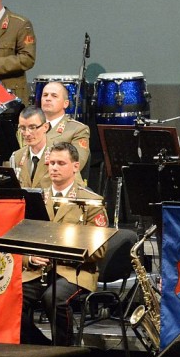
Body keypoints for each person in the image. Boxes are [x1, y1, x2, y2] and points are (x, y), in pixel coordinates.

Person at [21, 142, 108, 346]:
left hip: (74, 272)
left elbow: (99, 250)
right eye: (51, 163)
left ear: (75, 166)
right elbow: (23, 237)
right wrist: (30, 258)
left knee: (54, 299)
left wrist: (61, 252)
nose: (54, 168)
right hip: (39, 270)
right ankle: (39, 347)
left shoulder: (91, 201)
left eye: (61, 163)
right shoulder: (36, 197)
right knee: (12, 298)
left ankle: (63, 349)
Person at [37, 81, 91, 171]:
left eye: (54, 96)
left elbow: (76, 164)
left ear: (65, 103)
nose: (48, 99)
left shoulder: (78, 130)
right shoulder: (30, 127)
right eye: (45, 95)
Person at [9, 106, 52, 189]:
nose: (27, 133)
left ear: (45, 127)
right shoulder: (16, 157)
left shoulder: (60, 155)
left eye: (32, 128)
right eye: (22, 128)